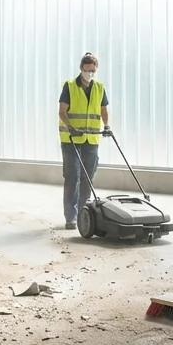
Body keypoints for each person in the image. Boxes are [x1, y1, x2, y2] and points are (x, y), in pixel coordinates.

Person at [58, 52, 111, 229]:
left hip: (92, 138)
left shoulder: (99, 88)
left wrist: (107, 125)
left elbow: (103, 110)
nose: (90, 74)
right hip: (71, 138)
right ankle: (70, 217)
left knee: (88, 177)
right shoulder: (70, 86)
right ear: (81, 69)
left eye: (93, 71)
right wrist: (70, 125)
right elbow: (62, 111)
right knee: (73, 176)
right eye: (87, 70)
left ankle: (83, 213)